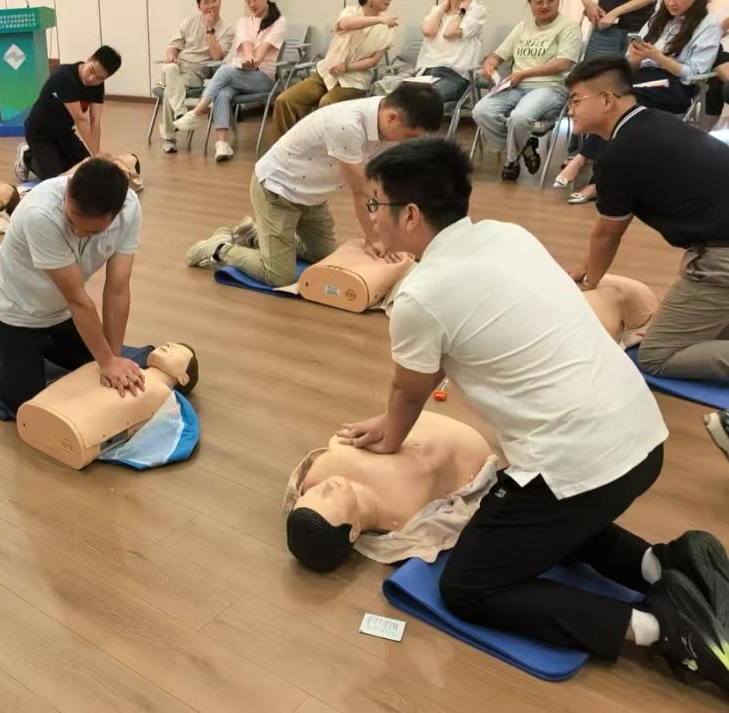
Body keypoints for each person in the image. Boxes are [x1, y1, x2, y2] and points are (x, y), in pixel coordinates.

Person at [342, 136, 729, 695]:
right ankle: (663, 564)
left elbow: (409, 390)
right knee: (536, 527)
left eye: (376, 203)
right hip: (643, 439)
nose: (370, 214)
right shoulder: (508, 234)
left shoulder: (421, 295)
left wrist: (389, 437)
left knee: (468, 586)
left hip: (583, 464)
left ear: (410, 214)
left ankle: (663, 630)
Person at [564, 58, 729, 458]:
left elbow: (608, 232)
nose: (570, 110)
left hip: (722, 254)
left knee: (656, 357)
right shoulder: (657, 123)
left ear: (607, 100)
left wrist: (590, 283)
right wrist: (588, 266)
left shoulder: (620, 154)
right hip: (718, 240)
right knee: (704, 334)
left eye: (575, 100)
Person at [184, 83, 443, 287]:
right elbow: (362, 192)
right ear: (393, 118)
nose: (408, 142)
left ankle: (253, 235)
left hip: (313, 197)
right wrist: (374, 239)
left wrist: (397, 236)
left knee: (325, 258)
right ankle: (219, 247)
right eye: (410, 136)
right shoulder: (347, 125)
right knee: (279, 275)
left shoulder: (386, 124)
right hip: (277, 191)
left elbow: (384, 186)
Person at [0, 158, 143, 414]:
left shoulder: (130, 208)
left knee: (99, 366)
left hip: (61, 312)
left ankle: (37, 346)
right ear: (68, 190)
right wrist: (107, 361)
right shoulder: (40, 215)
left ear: (117, 213)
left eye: (90, 232)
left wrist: (113, 358)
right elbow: (78, 299)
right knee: (27, 402)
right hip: (16, 311)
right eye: (71, 221)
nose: (77, 232)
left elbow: (117, 288)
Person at [285, 411, 495, 572]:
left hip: (404, 415)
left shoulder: (314, 478)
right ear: (353, 531)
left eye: (311, 494)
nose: (326, 486)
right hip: (462, 439)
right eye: (328, 501)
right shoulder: (401, 508)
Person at [566, 0, 722, 204]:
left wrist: (658, 57)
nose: (671, 3)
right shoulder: (659, 18)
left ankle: (585, 161)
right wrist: (635, 59)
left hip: (674, 85)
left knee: (622, 103)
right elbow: (630, 65)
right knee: (608, 95)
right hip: (641, 79)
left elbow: (693, 74)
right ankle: (593, 171)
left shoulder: (708, 24)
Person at [16, 343, 200, 469]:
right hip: (44, 407)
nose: (167, 345)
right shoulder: (129, 364)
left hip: (78, 433)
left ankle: (76, 431)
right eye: (169, 343)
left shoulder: (162, 393)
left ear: (184, 378)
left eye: (176, 349)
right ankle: (47, 408)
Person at [471, 0, 582, 181]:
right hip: (516, 86)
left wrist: (523, 73)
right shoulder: (522, 27)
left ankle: (511, 160)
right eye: (539, 2)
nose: (545, 6)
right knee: (481, 111)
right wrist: (489, 64)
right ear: (530, 4)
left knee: (519, 117)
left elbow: (563, 63)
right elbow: (497, 55)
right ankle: (526, 146)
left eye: (550, 1)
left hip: (550, 87)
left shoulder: (569, 27)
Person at [553, 0, 656, 190]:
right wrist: (589, 4)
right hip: (603, 26)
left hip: (636, 26)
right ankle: (579, 152)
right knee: (589, 89)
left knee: (618, 97)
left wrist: (615, 12)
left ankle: (601, 160)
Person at [265, 0, 398, 145]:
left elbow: (373, 60)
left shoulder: (388, 27)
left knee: (328, 103)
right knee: (285, 100)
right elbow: (346, 24)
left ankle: (321, 152)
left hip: (355, 81)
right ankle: (283, 149)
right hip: (326, 74)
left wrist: (347, 67)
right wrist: (379, 20)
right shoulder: (350, 12)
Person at [172, 0, 288, 161]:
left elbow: (261, 53)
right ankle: (222, 144)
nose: (251, 4)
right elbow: (247, 46)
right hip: (241, 74)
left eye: (254, 0)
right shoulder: (243, 22)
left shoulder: (279, 22)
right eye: (248, 1)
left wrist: (252, 61)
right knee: (223, 92)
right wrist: (249, 60)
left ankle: (196, 113)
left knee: (225, 70)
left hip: (263, 79)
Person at [18, 46, 123, 181]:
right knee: (55, 180)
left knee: (87, 171)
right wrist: (96, 153)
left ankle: (53, 157)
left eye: (100, 78)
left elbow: (95, 121)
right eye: (91, 70)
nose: (91, 79)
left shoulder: (97, 85)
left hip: (64, 133)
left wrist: (95, 153)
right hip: (40, 134)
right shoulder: (65, 77)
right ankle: (27, 157)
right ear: (89, 59)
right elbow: (80, 119)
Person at [159, 0, 237, 153]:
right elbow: (172, 46)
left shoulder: (227, 30)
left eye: (214, 1)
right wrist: (171, 55)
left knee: (170, 91)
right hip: (176, 67)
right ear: (199, 6)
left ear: (220, 2)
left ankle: (169, 136)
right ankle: (181, 113)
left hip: (195, 72)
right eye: (206, 2)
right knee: (170, 68)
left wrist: (209, 29)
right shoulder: (188, 22)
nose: (211, 6)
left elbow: (217, 56)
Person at [414, 0, 489, 103]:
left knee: (423, 99)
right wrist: (443, 7)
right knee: (401, 97)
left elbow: (449, 33)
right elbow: (428, 31)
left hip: (454, 76)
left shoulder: (476, 11)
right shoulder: (438, 9)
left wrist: (461, 11)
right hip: (426, 72)